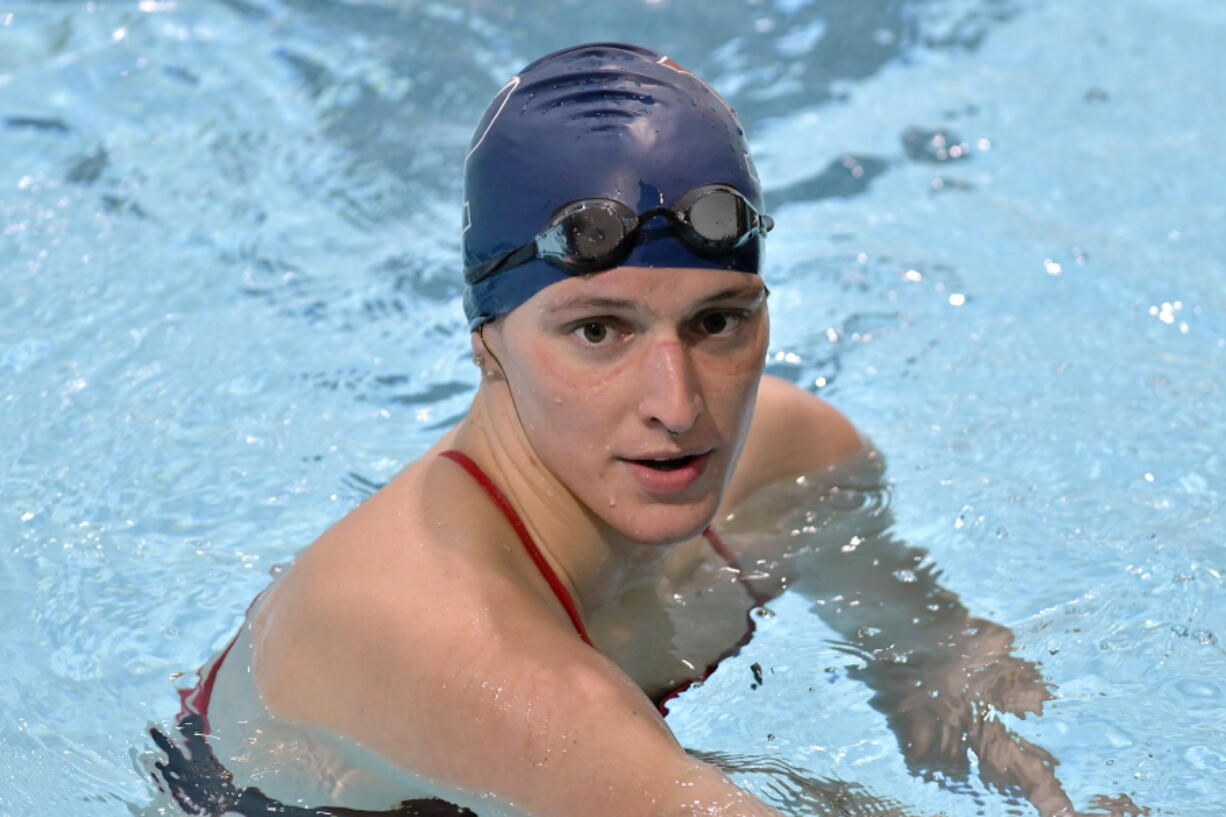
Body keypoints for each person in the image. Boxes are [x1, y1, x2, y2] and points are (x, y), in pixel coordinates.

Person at [152, 43, 1093, 817]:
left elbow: (940, 663)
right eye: (598, 331)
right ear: (488, 345)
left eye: (718, 320)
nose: (678, 407)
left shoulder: (800, 463)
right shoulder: (458, 647)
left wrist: (1059, 786)